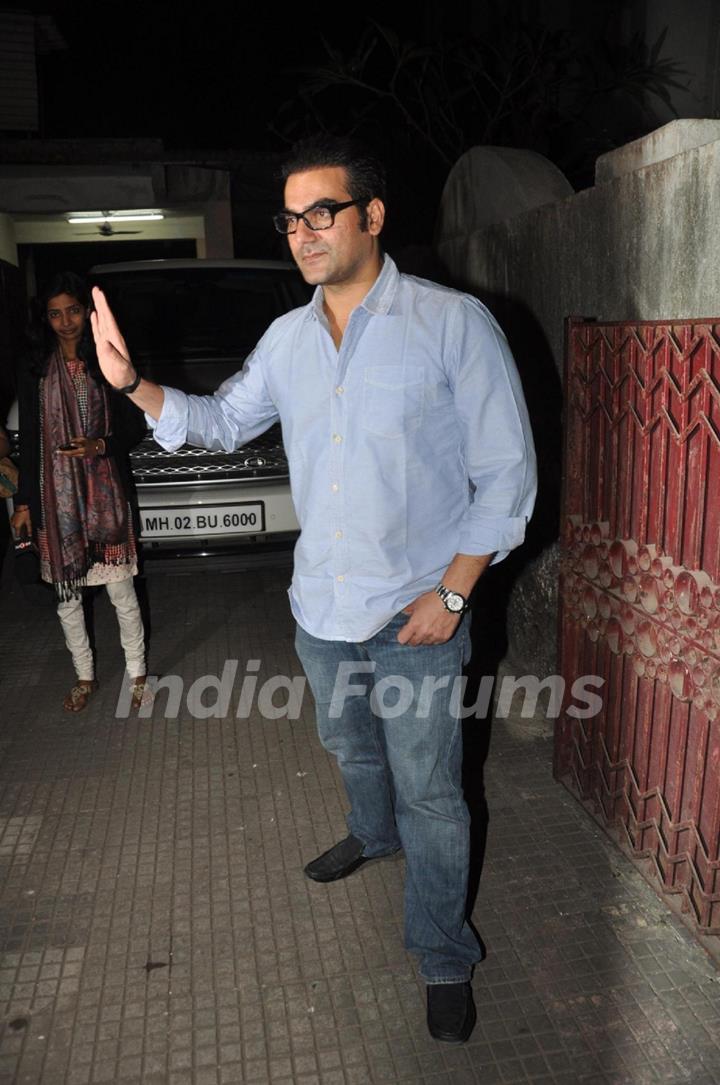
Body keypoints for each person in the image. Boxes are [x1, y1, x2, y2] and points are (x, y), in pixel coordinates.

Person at [90, 137, 537, 1043]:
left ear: (373, 217)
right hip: (320, 613)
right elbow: (219, 421)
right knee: (351, 746)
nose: (302, 232)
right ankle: (370, 837)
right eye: (290, 218)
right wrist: (133, 384)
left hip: (418, 614)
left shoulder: (452, 324)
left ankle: (444, 951)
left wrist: (451, 598)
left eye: (321, 212)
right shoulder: (288, 340)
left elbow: (509, 480)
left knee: (435, 793)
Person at [11, 271, 148, 712]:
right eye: (56, 314)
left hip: (106, 495)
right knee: (67, 598)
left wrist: (99, 445)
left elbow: (134, 425)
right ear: (45, 319)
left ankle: (139, 673)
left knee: (122, 593)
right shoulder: (35, 372)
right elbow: (31, 446)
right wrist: (24, 503)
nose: (66, 321)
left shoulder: (109, 359)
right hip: (57, 503)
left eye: (73, 310)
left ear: (87, 312)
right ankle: (85, 677)